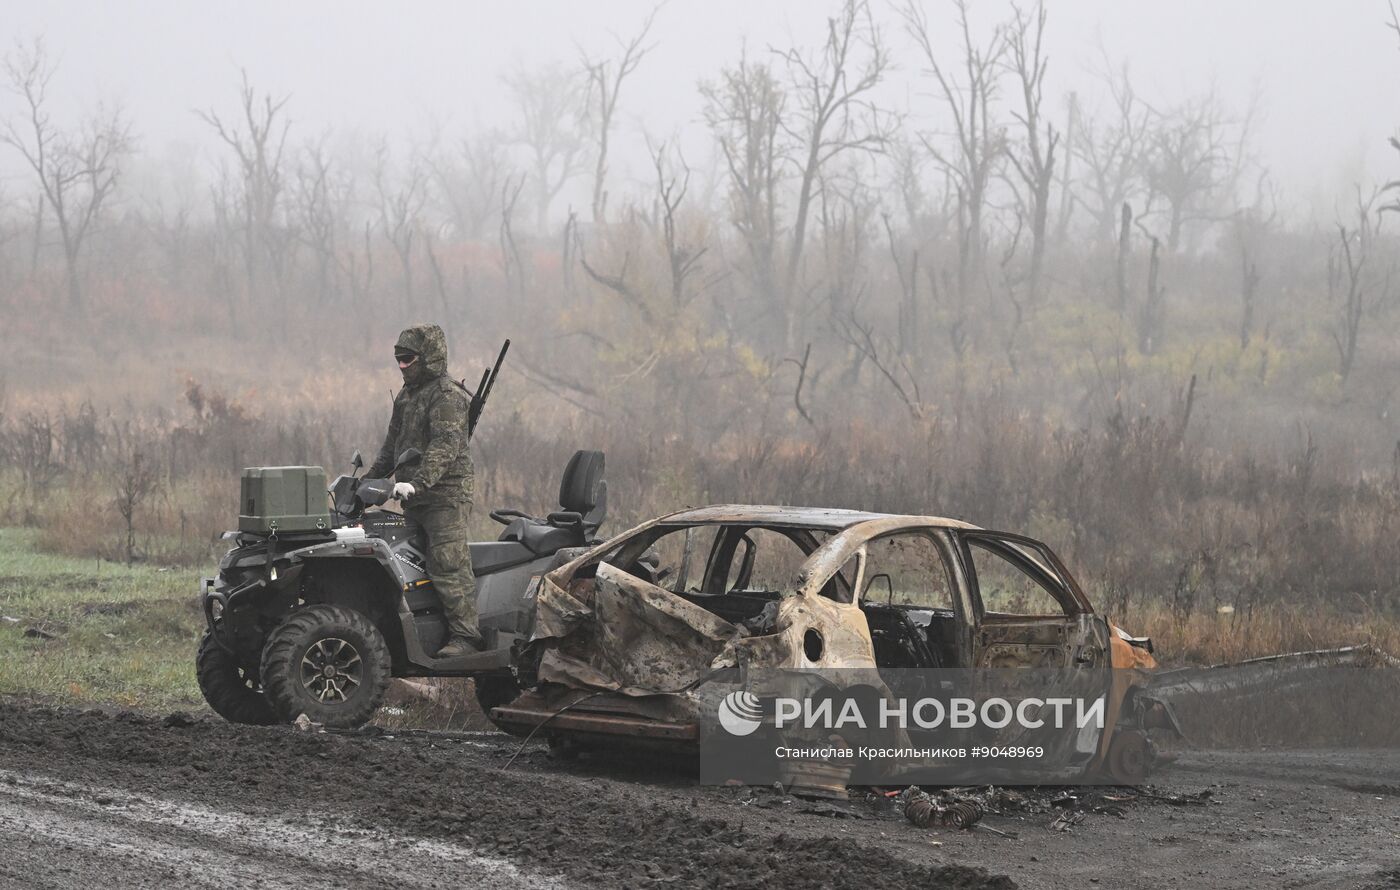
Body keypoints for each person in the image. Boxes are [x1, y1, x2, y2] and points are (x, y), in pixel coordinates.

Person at [367, 323, 482, 657]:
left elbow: (445, 447)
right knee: (410, 566)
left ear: (427, 357)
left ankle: (466, 636)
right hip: (413, 496)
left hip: (445, 495)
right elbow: (392, 445)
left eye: (409, 359)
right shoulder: (406, 396)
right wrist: (367, 481)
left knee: (447, 562)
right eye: (399, 360)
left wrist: (417, 483)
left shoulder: (447, 396)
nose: (402, 366)